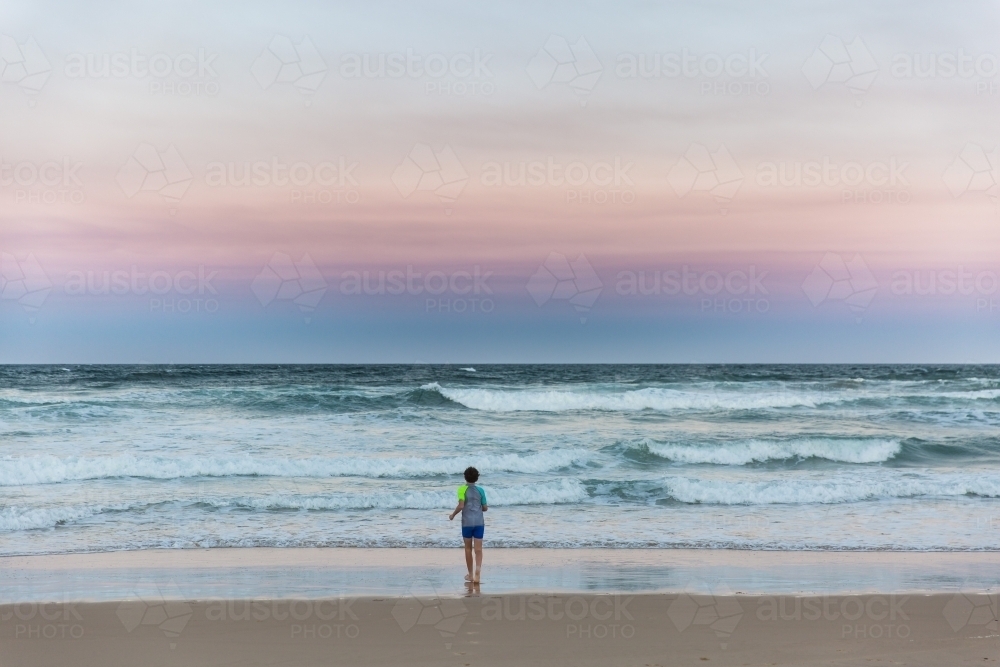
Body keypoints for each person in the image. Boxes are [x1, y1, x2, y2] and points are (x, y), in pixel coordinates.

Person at [448, 466, 487, 583]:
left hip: (467, 523)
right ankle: (477, 573)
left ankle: (470, 574)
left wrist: (453, 515)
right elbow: (485, 508)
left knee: (468, 549)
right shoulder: (481, 490)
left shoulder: (462, 489)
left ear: (465, 477)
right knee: (478, 549)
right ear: (477, 478)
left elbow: (461, 505)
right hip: (479, 522)